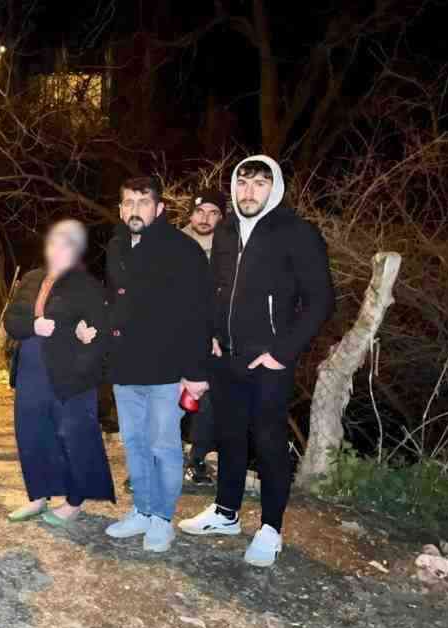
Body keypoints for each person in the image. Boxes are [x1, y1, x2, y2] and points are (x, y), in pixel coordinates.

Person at [179, 155, 334, 567]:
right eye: (243, 183)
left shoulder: (297, 233)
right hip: (225, 356)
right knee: (230, 436)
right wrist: (209, 335)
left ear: (275, 188)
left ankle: (271, 529)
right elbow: (215, 289)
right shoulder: (226, 230)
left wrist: (283, 351)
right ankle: (226, 513)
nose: (249, 191)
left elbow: (320, 300)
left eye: (259, 183)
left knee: (267, 442)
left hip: (269, 362)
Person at [104, 176, 213, 553]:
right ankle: (142, 511)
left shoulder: (182, 251)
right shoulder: (116, 246)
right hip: (125, 368)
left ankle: (162, 519)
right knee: (134, 444)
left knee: (164, 445)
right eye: (129, 202)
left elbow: (199, 314)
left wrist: (196, 373)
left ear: (159, 208)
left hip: (168, 370)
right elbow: (117, 305)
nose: (135, 209)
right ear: (121, 209)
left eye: (143, 202)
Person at [3, 220, 115, 526]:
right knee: (33, 435)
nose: (58, 250)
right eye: (53, 243)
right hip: (29, 372)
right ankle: (39, 496)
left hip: (69, 376)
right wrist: (32, 326)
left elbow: (98, 331)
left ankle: (74, 501)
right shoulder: (31, 278)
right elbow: (11, 320)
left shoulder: (86, 285)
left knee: (72, 438)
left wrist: (85, 338)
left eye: (67, 245)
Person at [181, 190, 227, 486]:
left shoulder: (231, 249)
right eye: (200, 211)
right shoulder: (172, 244)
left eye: (213, 213)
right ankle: (158, 461)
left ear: (221, 218)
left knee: (208, 399)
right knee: (165, 397)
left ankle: (198, 458)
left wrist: (217, 334)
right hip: (174, 334)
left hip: (211, 337)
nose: (205, 218)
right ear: (191, 215)